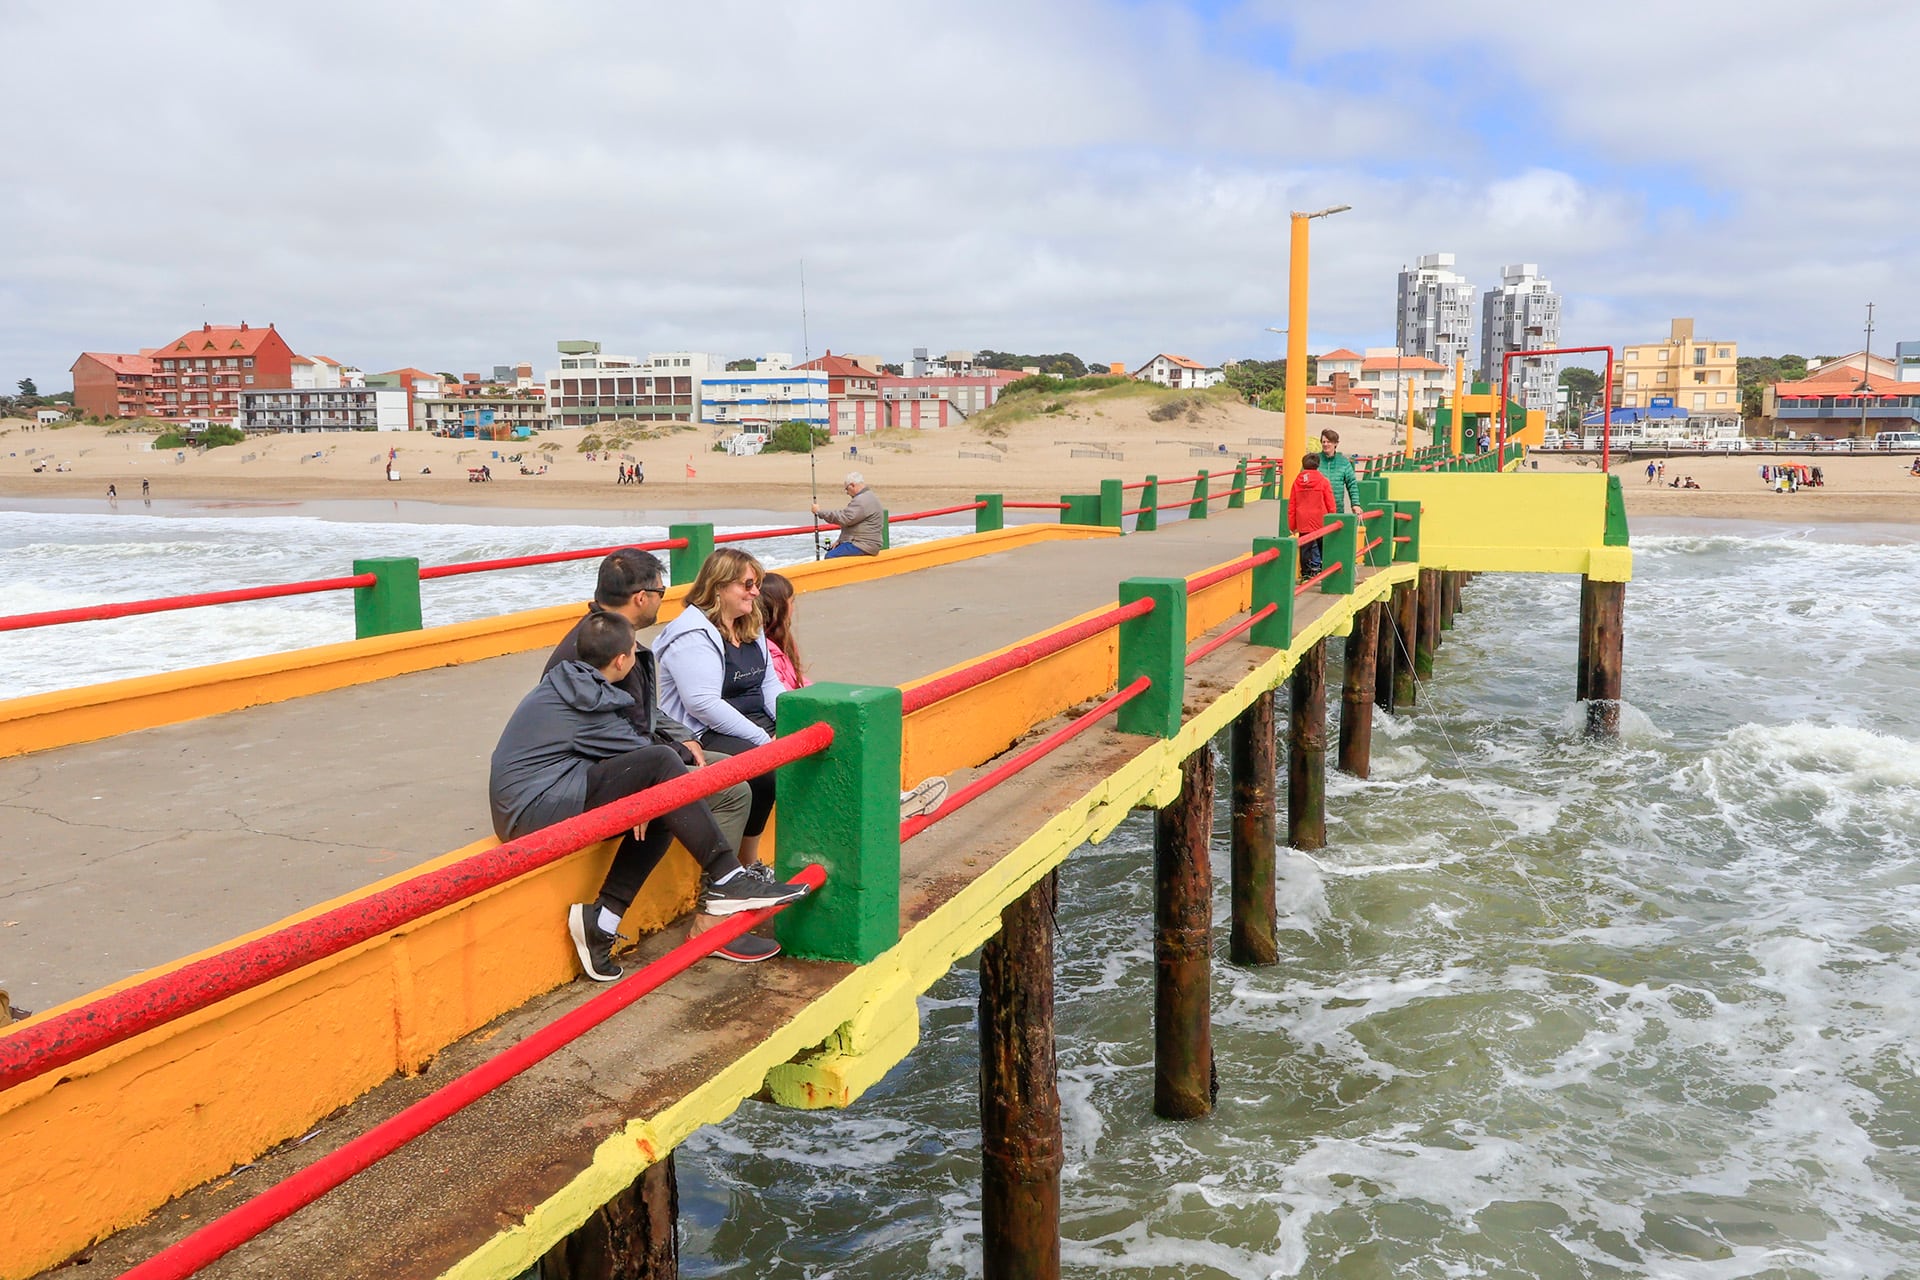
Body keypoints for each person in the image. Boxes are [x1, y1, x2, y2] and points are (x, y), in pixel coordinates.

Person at [489, 611, 808, 983]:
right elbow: (652, 754)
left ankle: (602, 921)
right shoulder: (586, 703)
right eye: (634, 652)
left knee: (662, 805)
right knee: (661, 768)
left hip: (551, 789)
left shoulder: (575, 682)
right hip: (533, 807)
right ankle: (727, 877)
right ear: (622, 661)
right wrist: (675, 756)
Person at [545, 549, 758, 889]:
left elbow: (639, 713)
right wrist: (651, 773)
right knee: (730, 789)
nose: (664, 600)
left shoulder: (607, 635)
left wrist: (681, 737)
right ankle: (720, 898)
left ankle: (725, 885)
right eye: (661, 592)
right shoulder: (594, 650)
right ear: (642, 597)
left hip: (627, 755)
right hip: (590, 774)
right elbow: (600, 735)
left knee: (732, 768)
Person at [758, 571, 950, 819]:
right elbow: (779, 696)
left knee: (853, 728)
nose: (795, 608)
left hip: (793, 715)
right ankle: (888, 802)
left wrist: (826, 697)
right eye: (792, 602)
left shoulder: (780, 643)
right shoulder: (765, 649)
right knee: (845, 739)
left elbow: (798, 683)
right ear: (779, 607)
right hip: (784, 722)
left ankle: (889, 798)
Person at [656, 549, 785, 871]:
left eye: (757, 584)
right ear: (718, 587)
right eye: (747, 584)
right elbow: (702, 704)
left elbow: (769, 686)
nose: (756, 592)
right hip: (704, 732)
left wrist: (791, 721)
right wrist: (763, 738)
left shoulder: (749, 625)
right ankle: (748, 863)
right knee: (766, 772)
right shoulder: (691, 636)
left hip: (754, 721)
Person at [812, 471, 883, 557]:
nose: (846, 492)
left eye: (846, 489)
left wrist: (819, 512)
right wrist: (841, 540)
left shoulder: (862, 500)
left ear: (852, 485)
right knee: (835, 549)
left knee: (830, 556)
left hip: (864, 545)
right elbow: (853, 522)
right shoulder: (869, 496)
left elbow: (844, 518)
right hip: (868, 543)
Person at [1289, 453, 1335, 578]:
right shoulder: (1323, 481)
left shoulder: (1297, 482)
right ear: (1318, 465)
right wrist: (1332, 519)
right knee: (1324, 547)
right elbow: (1330, 502)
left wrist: (1292, 525)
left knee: (1305, 548)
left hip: (1303, 520)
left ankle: (1305, 574)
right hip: (1321, 519)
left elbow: (1292, 505)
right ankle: (1326, 572)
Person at [1317, 430, 1358, 513]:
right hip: (1317, 510)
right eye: (1323, 442)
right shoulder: (1314, 460)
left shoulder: (1344, 462)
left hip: (1337, 509)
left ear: (1336, 443)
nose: (1325, 444)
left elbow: (1352, 484)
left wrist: (1355, 504)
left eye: (1329, 442)